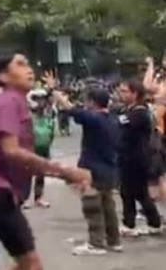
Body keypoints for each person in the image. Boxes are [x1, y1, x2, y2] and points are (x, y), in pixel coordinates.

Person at [0, 55, 90, 270]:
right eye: (20, 64)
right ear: (3, 76)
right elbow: (12, 151)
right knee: (31, 264)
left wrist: (61, 174)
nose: (29, 70)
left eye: (28, 63)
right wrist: (64, 171)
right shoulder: (9, 101)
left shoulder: (15, 101)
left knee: (25, 263)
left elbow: (20, 156)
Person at [52, 87, 122, 255]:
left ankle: (96, 243)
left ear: (92, 102)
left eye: (87, 100)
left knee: (92, 206)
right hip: (110, 169)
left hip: (92, 169)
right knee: (108, 206)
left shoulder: (94, 119)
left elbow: (71, 109)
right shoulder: (113, 120)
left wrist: (55, 91)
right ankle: (114, 241)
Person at [116, 79, 162, 236]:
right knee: (131, 192)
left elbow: (119, 124)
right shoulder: (126, 110)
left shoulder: (140, 113)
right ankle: (150, 222)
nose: (121, 94)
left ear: (135, 94)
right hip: (127, 158)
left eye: (124, 91)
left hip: (136, 159)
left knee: (134, 192)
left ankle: (132, 224)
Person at [25, 89, 56, 209]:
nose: (41, 102)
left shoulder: (48, 113)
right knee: (27, 174)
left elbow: (51, 130)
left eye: (43, 99)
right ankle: (25, 198)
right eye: (38, 99)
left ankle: (39, 198)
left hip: (44, 147)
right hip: (31, 147)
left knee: (41, 174)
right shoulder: (28, 114)